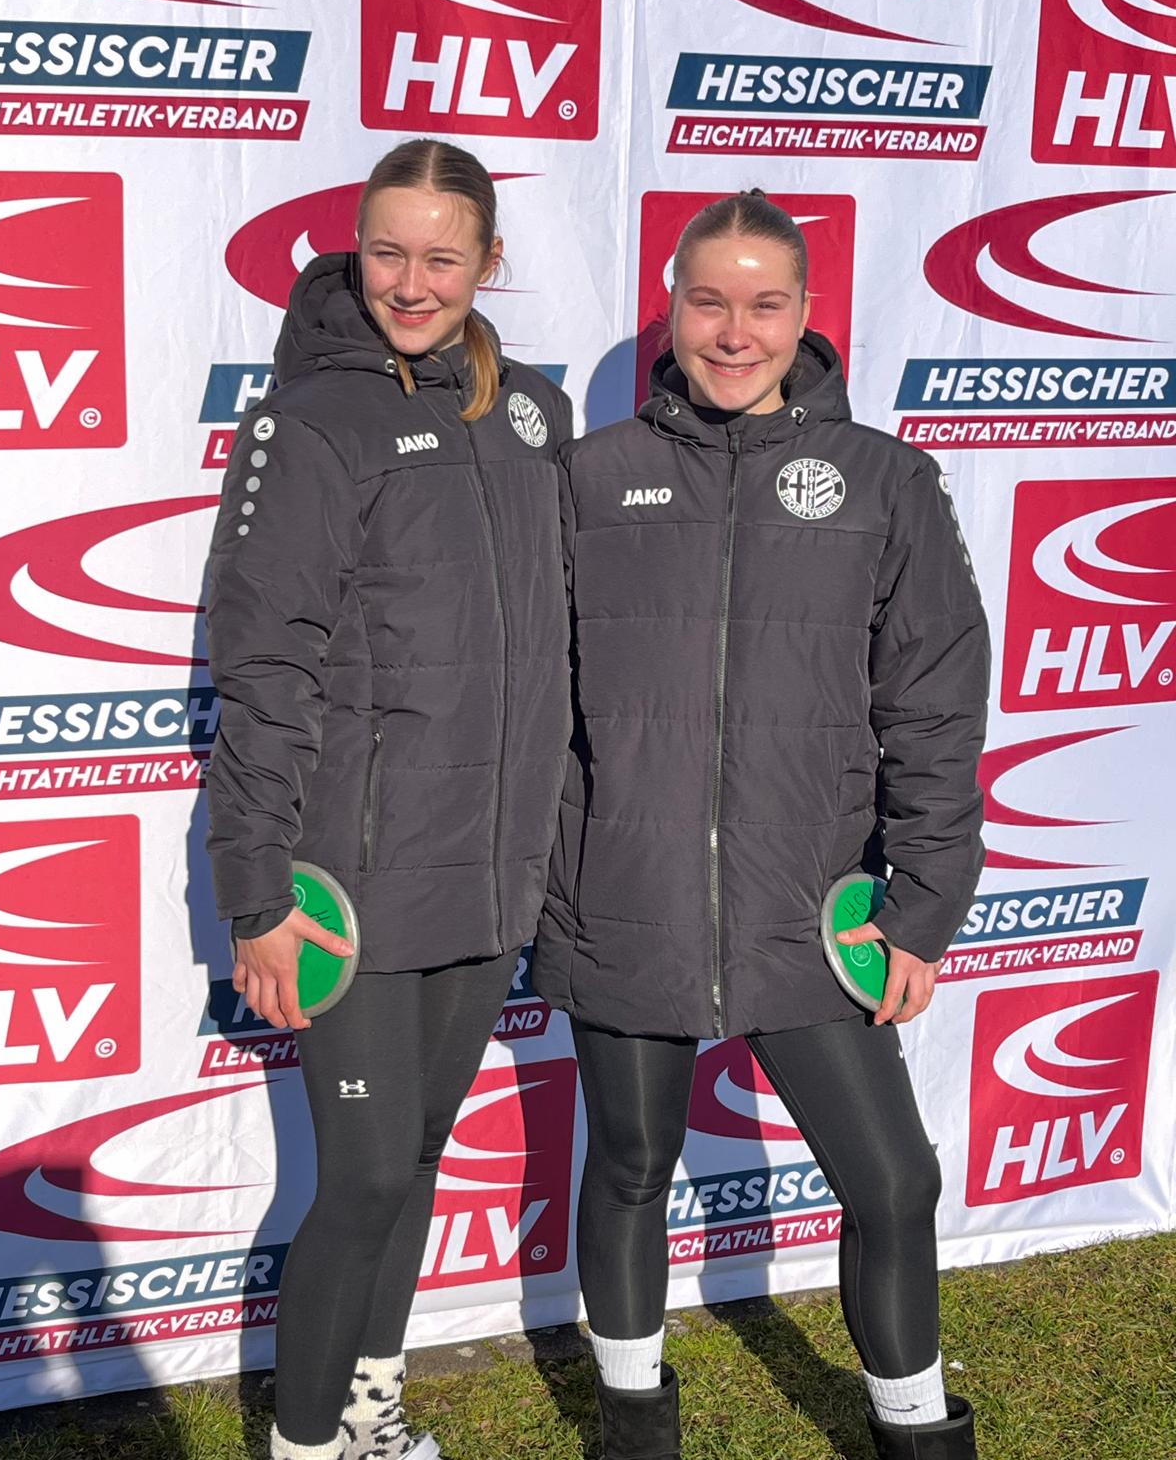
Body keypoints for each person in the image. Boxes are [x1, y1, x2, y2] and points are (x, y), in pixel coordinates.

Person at [534, 191, 990, 1460]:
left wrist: (922, 908)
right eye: (709, 301)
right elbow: (533, 704)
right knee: (631, 1163)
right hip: (627, 896)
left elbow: (936, 707)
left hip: (809, 903)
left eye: (765, 303)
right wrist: (552, 880)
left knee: (893, 1181)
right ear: (672, 307)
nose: (735, 332)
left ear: (804, 314)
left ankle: (917, 1435)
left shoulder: (885, 481)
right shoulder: (589, 478)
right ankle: (634, 1428)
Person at [204, 138, 572, 1460]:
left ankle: (369, 1411)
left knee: (413, 1158)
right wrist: (257, 893)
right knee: (361, 1176)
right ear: (357, 250)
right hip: (349, 880)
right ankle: (303, 1447)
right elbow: (264, 667)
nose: (411, 284)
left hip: (488, 872)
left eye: (442, 257)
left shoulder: (533, 413)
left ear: (488, 261)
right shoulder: (311, 420)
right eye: (388, 253)